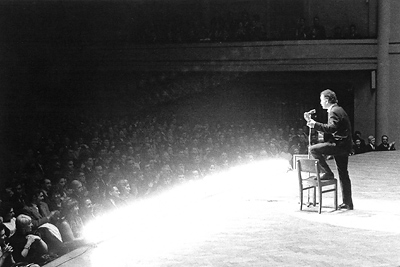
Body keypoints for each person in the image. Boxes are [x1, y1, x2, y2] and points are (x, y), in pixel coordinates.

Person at [304, 89, 354, 210]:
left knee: (313, 149)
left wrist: (314, 124)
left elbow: (331, 128)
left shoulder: (334, 111)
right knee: (343, 173)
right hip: (344, 146)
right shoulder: (339, 109)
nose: (320, 103)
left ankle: (327, 173)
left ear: (326, 100)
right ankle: (348, 203)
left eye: (321, 100)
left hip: (339, 146)